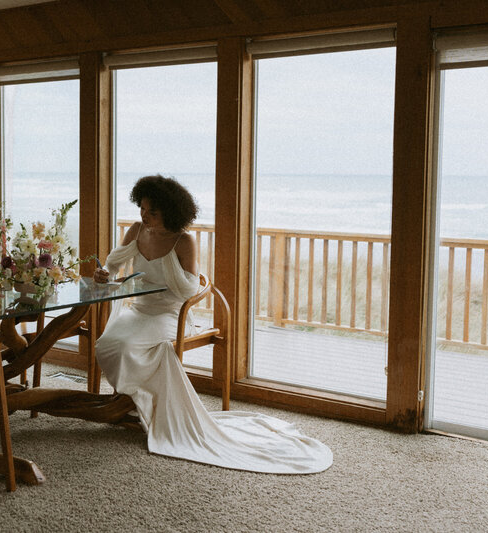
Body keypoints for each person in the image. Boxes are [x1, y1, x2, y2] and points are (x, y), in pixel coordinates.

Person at [94, 175, 332, 474]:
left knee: (127, 345)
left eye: (152, 211)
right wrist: (105, 274)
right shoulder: (137, 230)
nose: (144, 215)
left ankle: (139, 404)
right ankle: (136, 401)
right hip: (139, 310)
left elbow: (190, 290)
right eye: (142, 208)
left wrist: (159, 278)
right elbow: (113, 265)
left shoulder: (183, 240)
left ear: (169, 211)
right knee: (106, 344)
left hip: (169, 314)